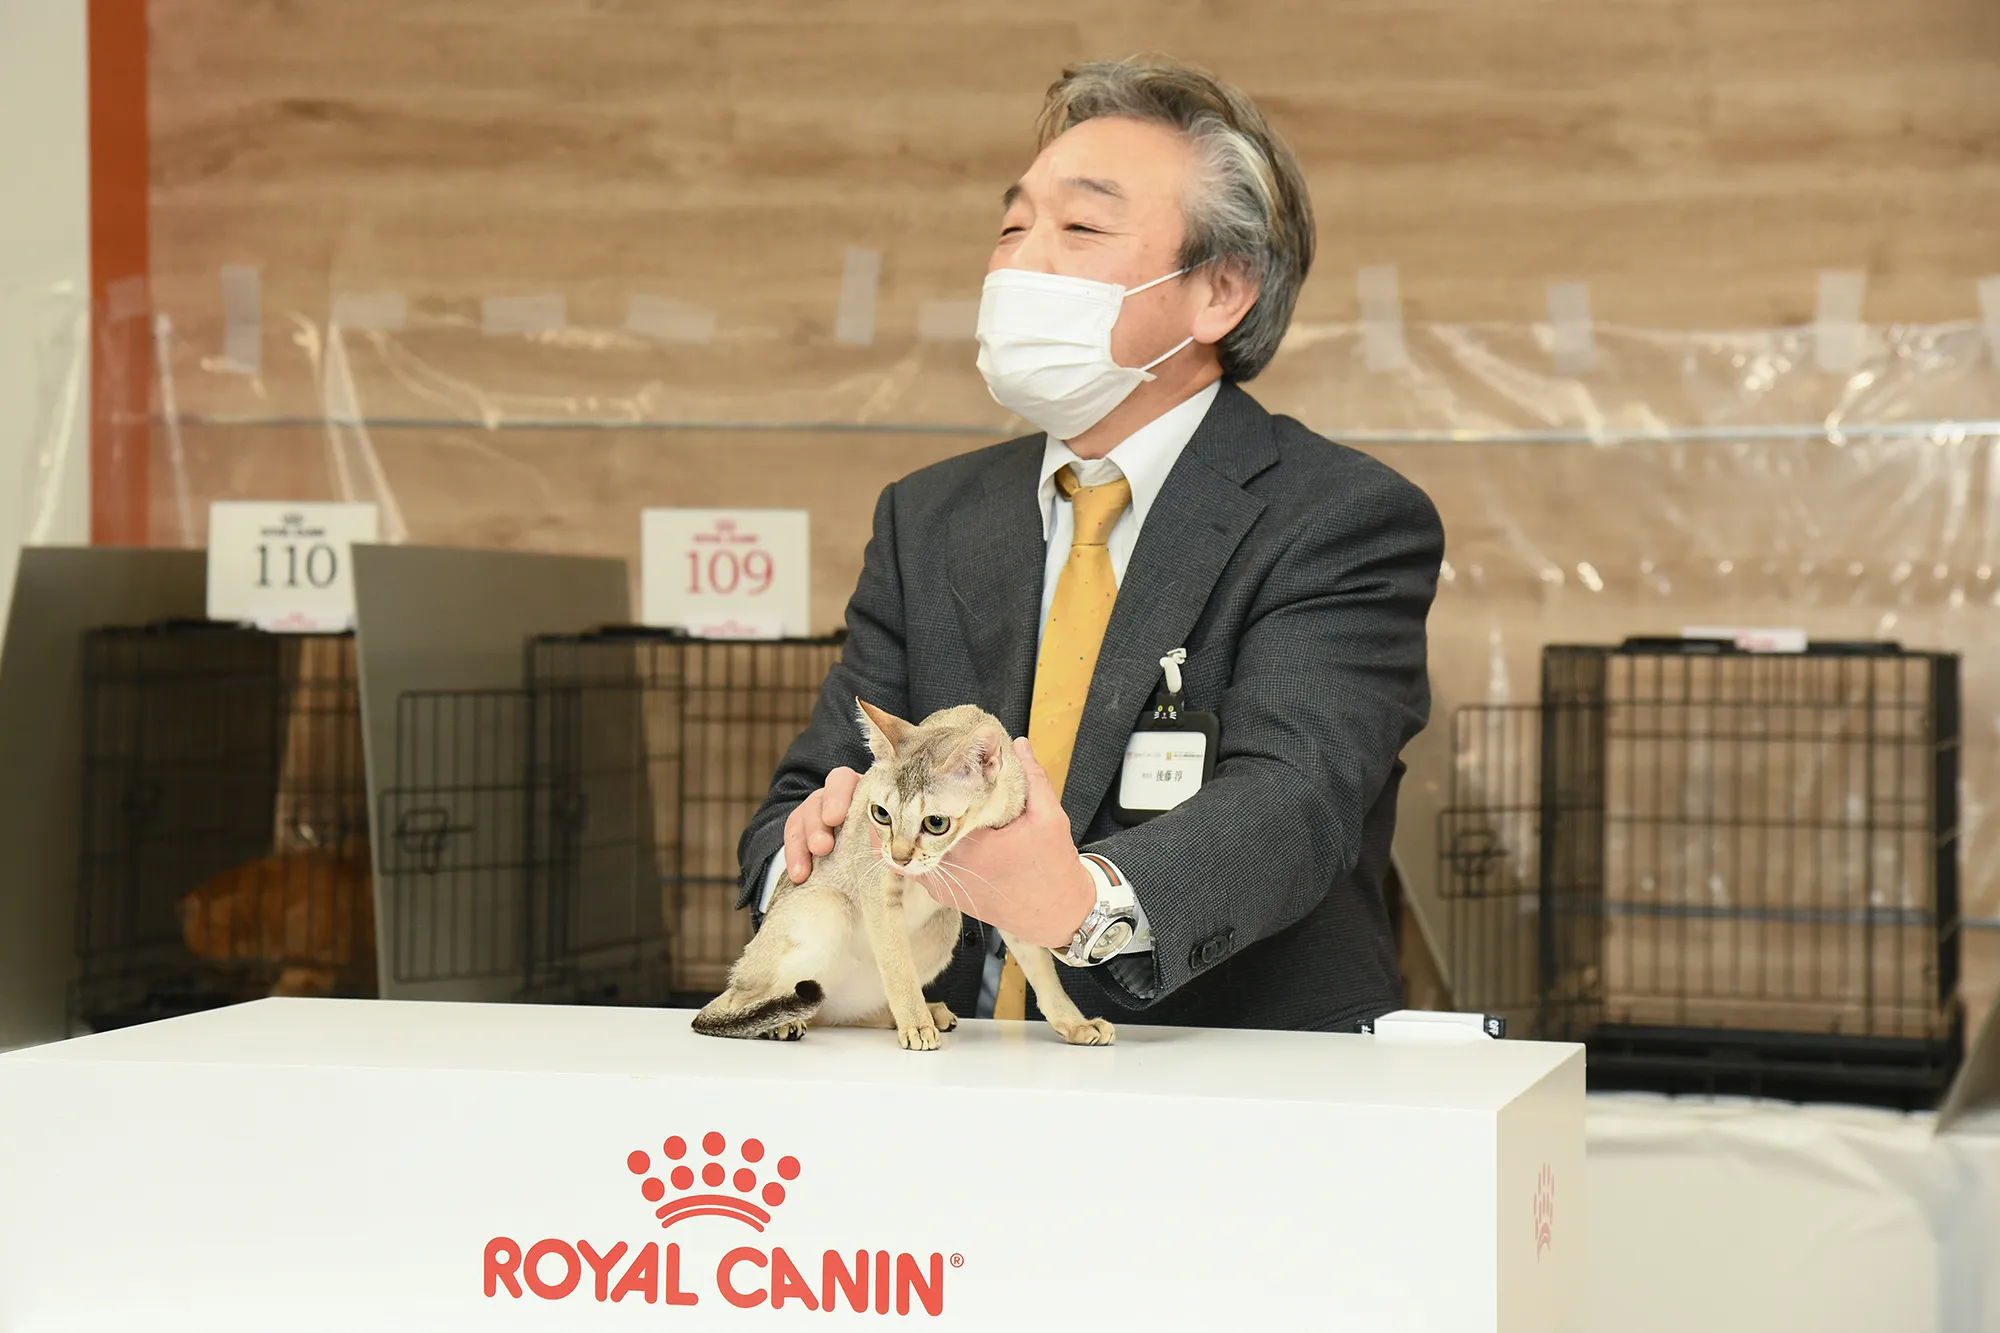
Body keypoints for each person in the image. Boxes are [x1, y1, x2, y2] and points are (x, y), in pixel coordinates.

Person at [736, 56, 1443, 1033]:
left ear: (1221, 290)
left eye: (1079, 228)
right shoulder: (929, 517)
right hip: (938, 1063)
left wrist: (1081, 900)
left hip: (1226, 1067)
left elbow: (1294, 800)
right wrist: (811, 853)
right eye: (1011, 227)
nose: (1020, 264)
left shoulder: (1337, 517)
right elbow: (800, 796)